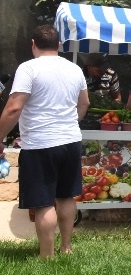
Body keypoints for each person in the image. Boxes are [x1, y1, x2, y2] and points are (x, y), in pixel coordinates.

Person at [0, 25, 89, 258]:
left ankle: (46, 256)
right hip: (70, 141)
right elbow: (84, 103)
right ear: (58, 45)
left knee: (43, 202)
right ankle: (66, 247)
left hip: (41, 143)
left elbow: (14, 107)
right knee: (66, 196)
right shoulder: (74, 69)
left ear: (33, 44)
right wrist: (71, 122)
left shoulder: (29, 68)